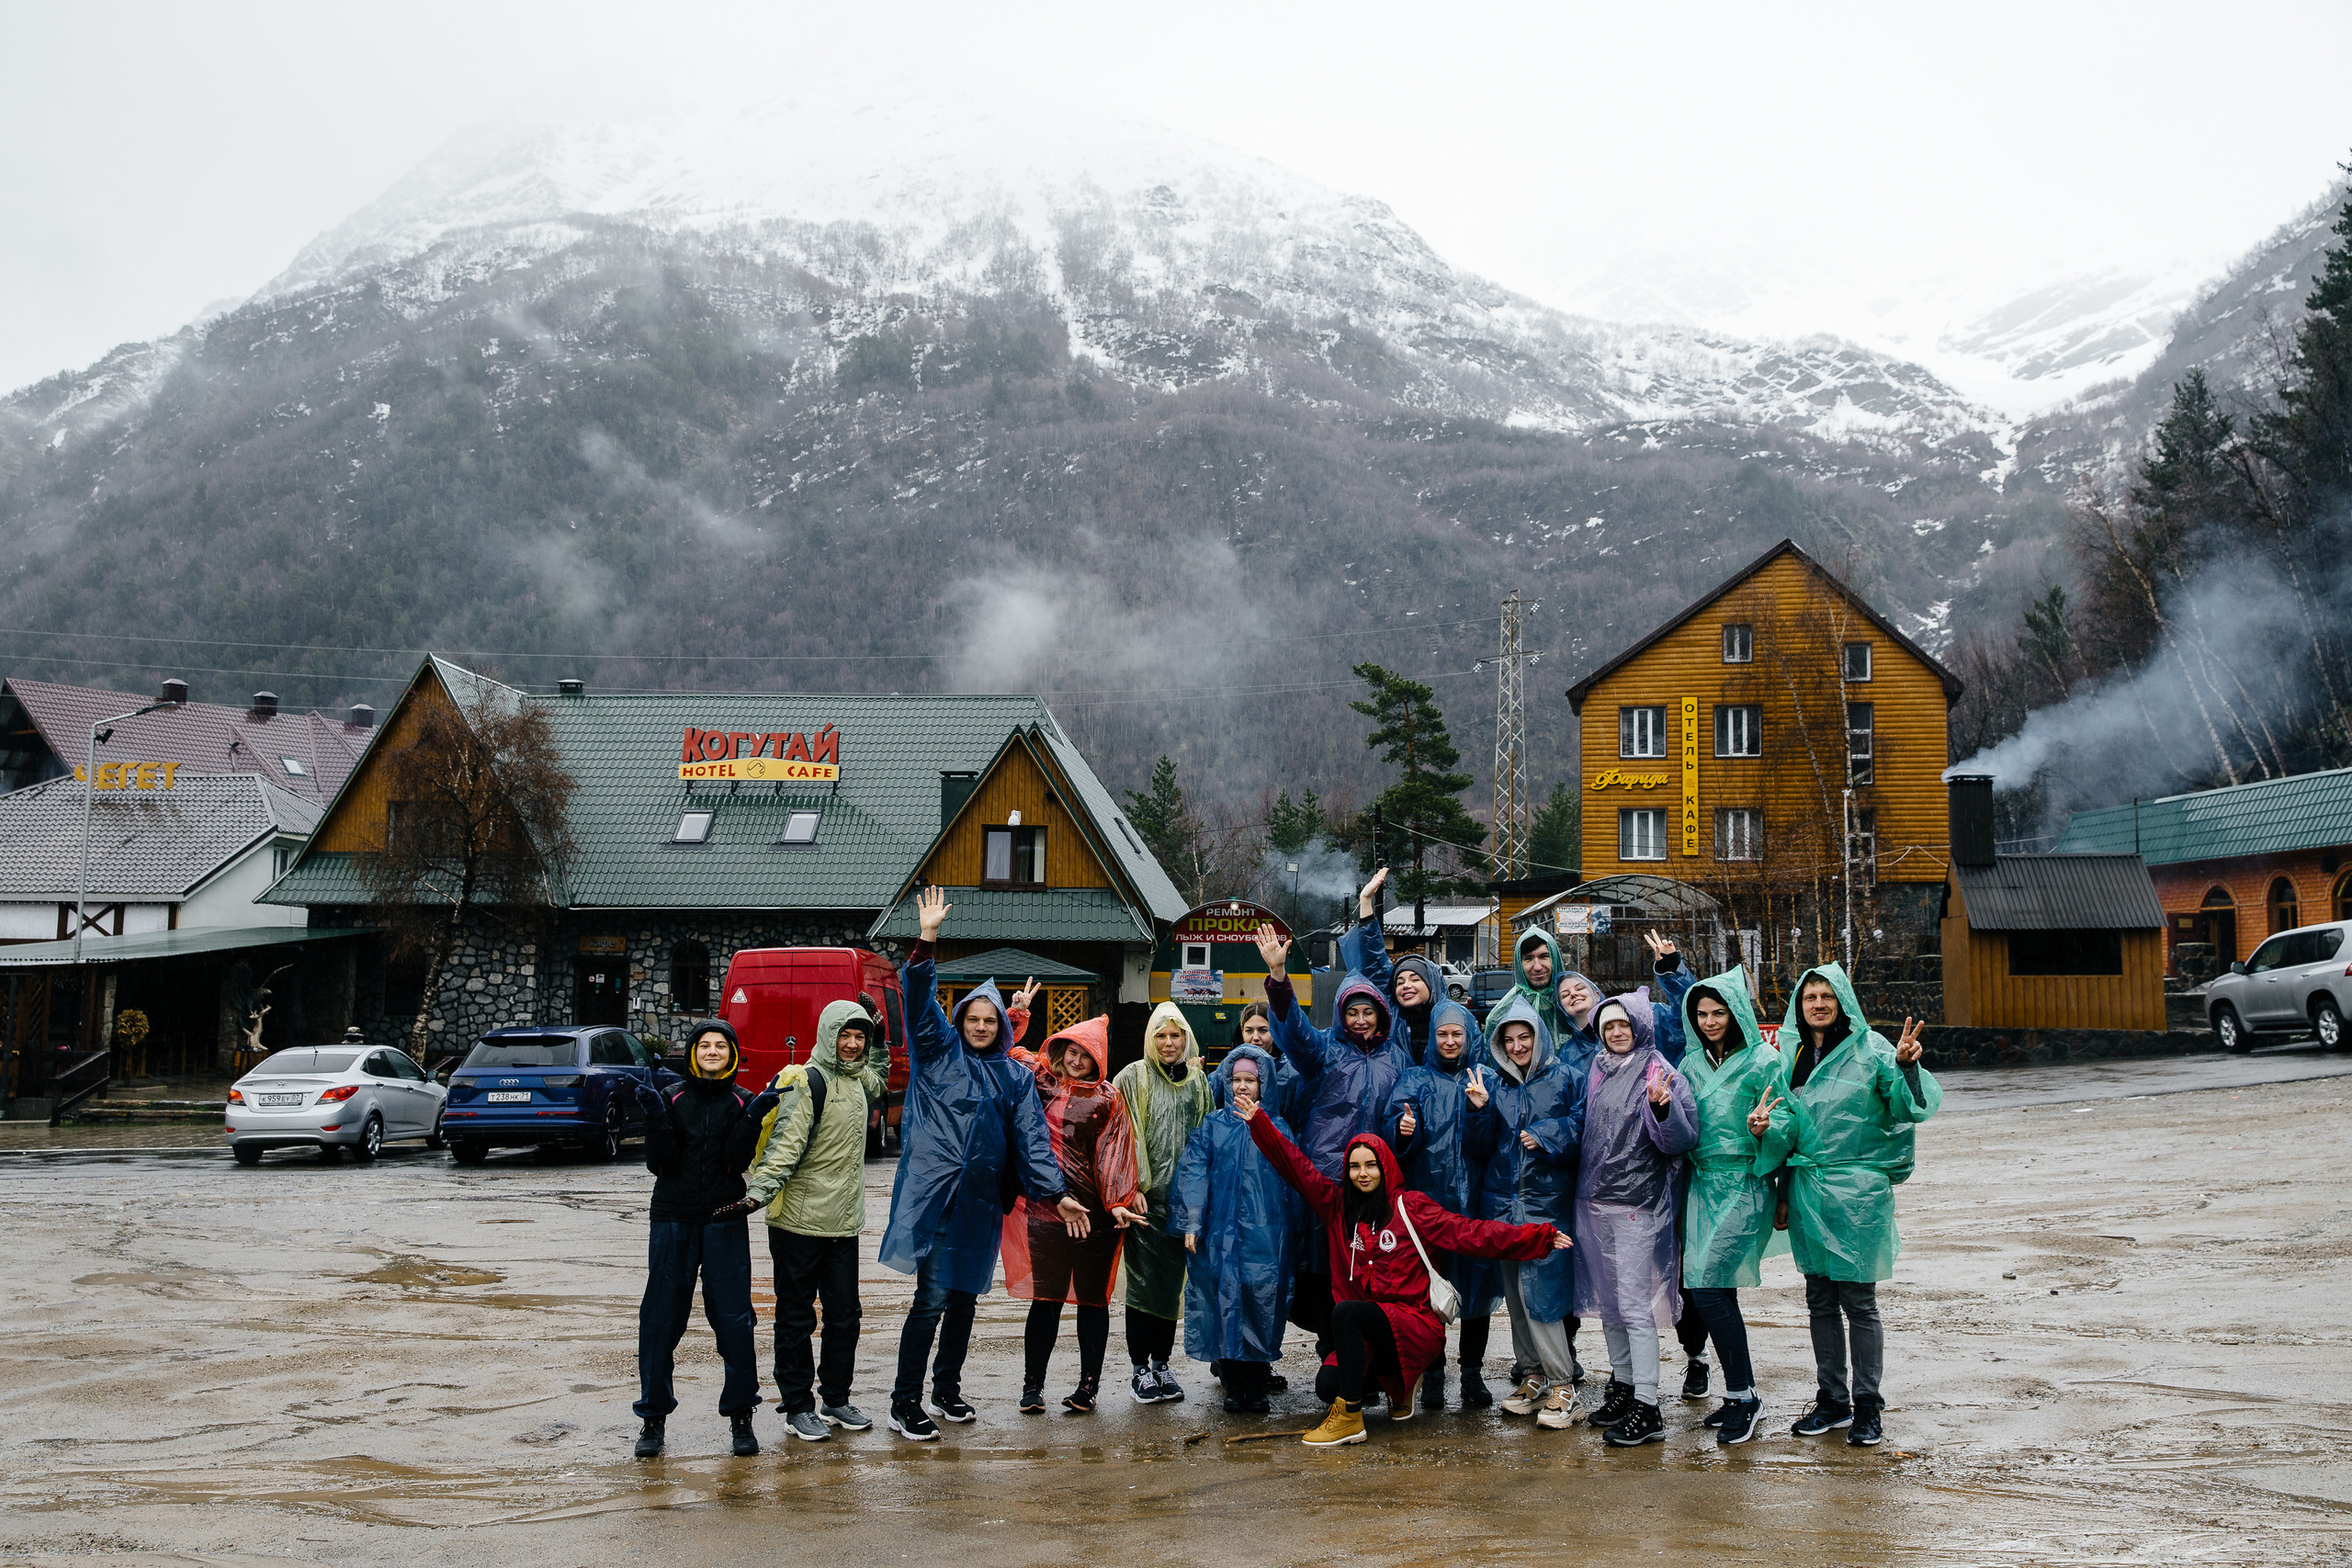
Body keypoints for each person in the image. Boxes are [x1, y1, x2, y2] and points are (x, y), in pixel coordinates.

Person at [877, 887, 1088, 1441]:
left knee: (965, 1295)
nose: (978, 1026)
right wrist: (926, 942)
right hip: (935, 1195)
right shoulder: (937, 1052)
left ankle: (946, 1388)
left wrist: (1055, 1191)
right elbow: (918, 1004)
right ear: (960, 1021)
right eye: (970, 1017)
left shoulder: (1014, 1076)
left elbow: (1029, 1140)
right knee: (931, 1300)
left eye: (988, 1020)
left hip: (980, 1202)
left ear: (1001, 1026)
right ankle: (905, 1401)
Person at [1236, 1100, 1571, 1447]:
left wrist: (1537, 1236)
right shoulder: (1338, 1208)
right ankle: (1400, 1383)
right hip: (1371, 1329)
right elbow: (1296, 1168)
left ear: (1385, 1168)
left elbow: (1471, 1233)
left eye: (1371, 1165)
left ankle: (1350, 1417)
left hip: (1416, 1324)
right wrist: (1259, 1123)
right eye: (1354, 1167)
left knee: (1346, 1314)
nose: (1363, 1173)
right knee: (1327, 1385)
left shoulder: (1410, 1207)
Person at [1764, 963, 1939, 1449]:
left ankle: (1867, 1406)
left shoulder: (1873, 1050)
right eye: (1808, 997)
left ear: (1842, 1000)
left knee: (1859, 1303)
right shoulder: (1790, 1057)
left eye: (1826, 995)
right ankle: (1832, 1400)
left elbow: (1909, 1108)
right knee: (1819, 1299)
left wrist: (1907, 1066)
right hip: (1806, 1190)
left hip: (1858, 1196)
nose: (1817, 1004)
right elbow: (1786, 1128)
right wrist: (1780, 1187)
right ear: (1799, 1007)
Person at [717, 1000, 888, 1444]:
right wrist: (756, 1194)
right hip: (797, 1223)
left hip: (843, 1223)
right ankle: (798, 1405)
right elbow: (785, 1146)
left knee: (845, 1315)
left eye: (860, 1037)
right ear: (828, 1035)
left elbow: (880, 1078)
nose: (852, 1045)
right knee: (796, 1318)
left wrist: (882, 1036)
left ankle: (835, 1397)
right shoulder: (804, 1079)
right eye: (845, 1036)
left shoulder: (857, 1080)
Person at [1251, 922, 1413, 1359]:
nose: (1360, 1020)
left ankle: (1371, 1355)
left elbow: (1404, 1103)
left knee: (1374, 1268)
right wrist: (1280, 979)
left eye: (1368, 1011)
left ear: (1381, 1013)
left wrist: (1403, 1128)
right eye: (1351, 1012)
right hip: (1330, 1180)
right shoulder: (1326, 1052)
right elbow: (1296, 1035)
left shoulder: (1396, 1057)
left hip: (1376, 1182)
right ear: (1341, 1015)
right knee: (1326, 1271)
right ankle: (1332, 1352)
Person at [630, 1020, 780, 1459]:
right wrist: (656, 1116)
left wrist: (753, 1117)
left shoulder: (744, 1100)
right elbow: (662, 1165)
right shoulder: (670, 1096)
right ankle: (652, 1420)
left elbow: (736, 1165)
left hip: (723, 1220)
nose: (712, 1051)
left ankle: (741, 1417)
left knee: (735, 1320)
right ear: (693, 1053)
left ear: (733, 1054)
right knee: (660, 1320)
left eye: (721, 1046)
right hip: (673, 1220)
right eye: (705, 1045)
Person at [1003, 1015, 1147, 1414]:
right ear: (1060, 1049)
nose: (1078, 1059)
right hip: (1046, 1211)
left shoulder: (1108, 1099)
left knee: (1092, 1302)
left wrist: (1118, 1200)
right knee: (1045, 1300)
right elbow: (1005, 1051)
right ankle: (1033, 1386)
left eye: (1086, 1053)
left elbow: (1115, 1154)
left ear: (1098, 1057)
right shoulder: (1039, 1079)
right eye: (1072, 1050)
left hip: (1094, 1218)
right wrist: (1015, 1017)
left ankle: (1088, 1387)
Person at [1573, 992, 1699, 1448]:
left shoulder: (1659, 1071)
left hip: (1637, 1205)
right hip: (1594, 1203)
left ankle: (1648, 1406)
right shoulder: (1599, 1068)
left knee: (1633, 1304)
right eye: (1608, 1026)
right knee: (1610, 1305)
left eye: (1623, 1024)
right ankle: (1623, 1387)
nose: (1616, 1032)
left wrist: (1663, 1109)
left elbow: (1683, 1139)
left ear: (1640, 1025)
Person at [1676, 964, 1789, 1446]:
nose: (1710, 1021)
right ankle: (1739, 1393)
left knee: (1706, 1287)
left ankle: (1745, 1394)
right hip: (1700, 1185)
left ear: (1736, 1012)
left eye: (1719, 1011)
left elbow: (1791, 1123)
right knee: (1715, 1288)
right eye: (1701, 1013)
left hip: (1745, 1182)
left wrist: (1768, 1130)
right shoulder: (1688, 1064)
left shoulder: (1765, 1061)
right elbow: (1677, 1127)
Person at [1170, 1043, 1302, 1414]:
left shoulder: (1278, 1128)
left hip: (1266, 1236)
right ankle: (1232, 1382)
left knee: (1261, 1304)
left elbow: (1295, 1180)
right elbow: (1193, 1172)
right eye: (1236, 1079)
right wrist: (1193, 1220)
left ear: (1264, 1085)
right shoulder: (1213, 1126)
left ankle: (1256, 1383)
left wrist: (1295, 1232)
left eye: (1251, 1080)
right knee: (1223, 1302)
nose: (1243, 1086)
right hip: (1220, 1235)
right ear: (1226, 1082)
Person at [1473, 997, 1585, 1430]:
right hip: (1503, 1205)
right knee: (1516, 1298)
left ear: (1538, 1037)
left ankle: (1563, 1383)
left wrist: (1544, 1134)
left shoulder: (1567, 1078)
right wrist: (1479, 1111)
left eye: (1525, 1038)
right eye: (1510, 1040)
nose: (1518, 1046)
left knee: (1543, 1298)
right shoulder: (1493, 1084)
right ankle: (1533, 1374)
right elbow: (1481, 1148)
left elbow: (1582, 1127)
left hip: (1545, 1205)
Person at [1383, 998, 1497, 1408]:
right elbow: (1395, 1138)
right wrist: (1404, 1129)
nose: (1450, 1041)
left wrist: (1481, 1111)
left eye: (1457, 1034)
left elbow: (1492, 1146)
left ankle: (1471, 1372)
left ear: (1470, 1037)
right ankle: (1432, 1372)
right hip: (1427, 1206)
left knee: (1476, 1291)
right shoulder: (1415, 1080)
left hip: (1474, 1202)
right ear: (1432, 1038)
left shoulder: (1486, 1079)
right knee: (1430, 1289)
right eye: (1443, 1034)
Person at [1113, 1002, 1217, 1404]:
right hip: (1143, 1204)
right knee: (1143, 1289)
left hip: (1182, 1206)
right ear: (1150, 1040)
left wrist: (1199, 1200)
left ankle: (1162, 1365)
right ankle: (1140, 1369)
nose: (1169, 1043)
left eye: (1175, 1035)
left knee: (1172, 1290)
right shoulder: (1133, 1078)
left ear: (1186, 1037)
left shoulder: (1198, 1082)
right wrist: (1130, 1185)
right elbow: (1120, 1135)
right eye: (1161, 1036)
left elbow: (1205, 1141)